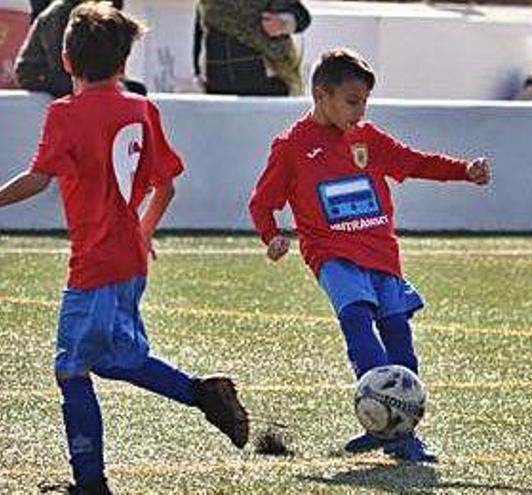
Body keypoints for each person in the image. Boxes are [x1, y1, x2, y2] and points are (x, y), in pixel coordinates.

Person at [0, 3, 249, 493]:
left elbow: (37, 179)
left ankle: (90, 483)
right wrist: (143, 230)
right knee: (117, 357)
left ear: (66, 60)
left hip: (93, 264)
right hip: (129, 261)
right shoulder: (141, 108)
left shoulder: (64, 114)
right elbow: (167, 187)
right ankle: (204, 394)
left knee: (71, 368)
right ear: (124, 62)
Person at [248, 47, 491, 462]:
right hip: (332, 256)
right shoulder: (291, 146)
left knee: (399, 336)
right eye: (351, 101)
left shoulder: (367, 137)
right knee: (358, 320)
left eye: (364, 102)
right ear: (321, 95)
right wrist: (271, 235)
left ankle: (399, 430)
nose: (359, 112)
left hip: (382, 253)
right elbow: (261, 202)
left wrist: (462, 170)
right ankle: (384, 419)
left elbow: (414, 162)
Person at [15, 0, 147, 98]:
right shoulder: (59, 14)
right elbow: (62, 66)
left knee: (137, 90)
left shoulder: (107, 12)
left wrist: (120, 84)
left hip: (87, 76)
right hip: (48, 75)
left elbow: (108, 60)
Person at [194, 0, 310, 96]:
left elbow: (302, 17)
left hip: (265, 84)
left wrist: (282, 23)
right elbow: (200, 34)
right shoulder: (207, 3)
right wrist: (198, 73)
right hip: (219, 84)